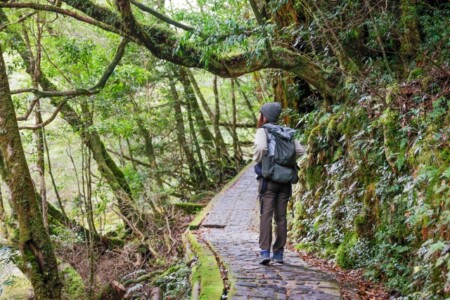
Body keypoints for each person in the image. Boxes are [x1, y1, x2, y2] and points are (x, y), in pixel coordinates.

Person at [253, 102, 305, 265]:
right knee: (281, 217)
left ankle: (265, 251)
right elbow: (300, 151)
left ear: (265, 116)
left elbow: (261, 148)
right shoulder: (286, 131)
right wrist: (285, 162)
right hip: (285, 181)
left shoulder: (263, 131)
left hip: (268, 180)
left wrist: (259, 161)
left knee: (266, 215)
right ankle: (279, 253)